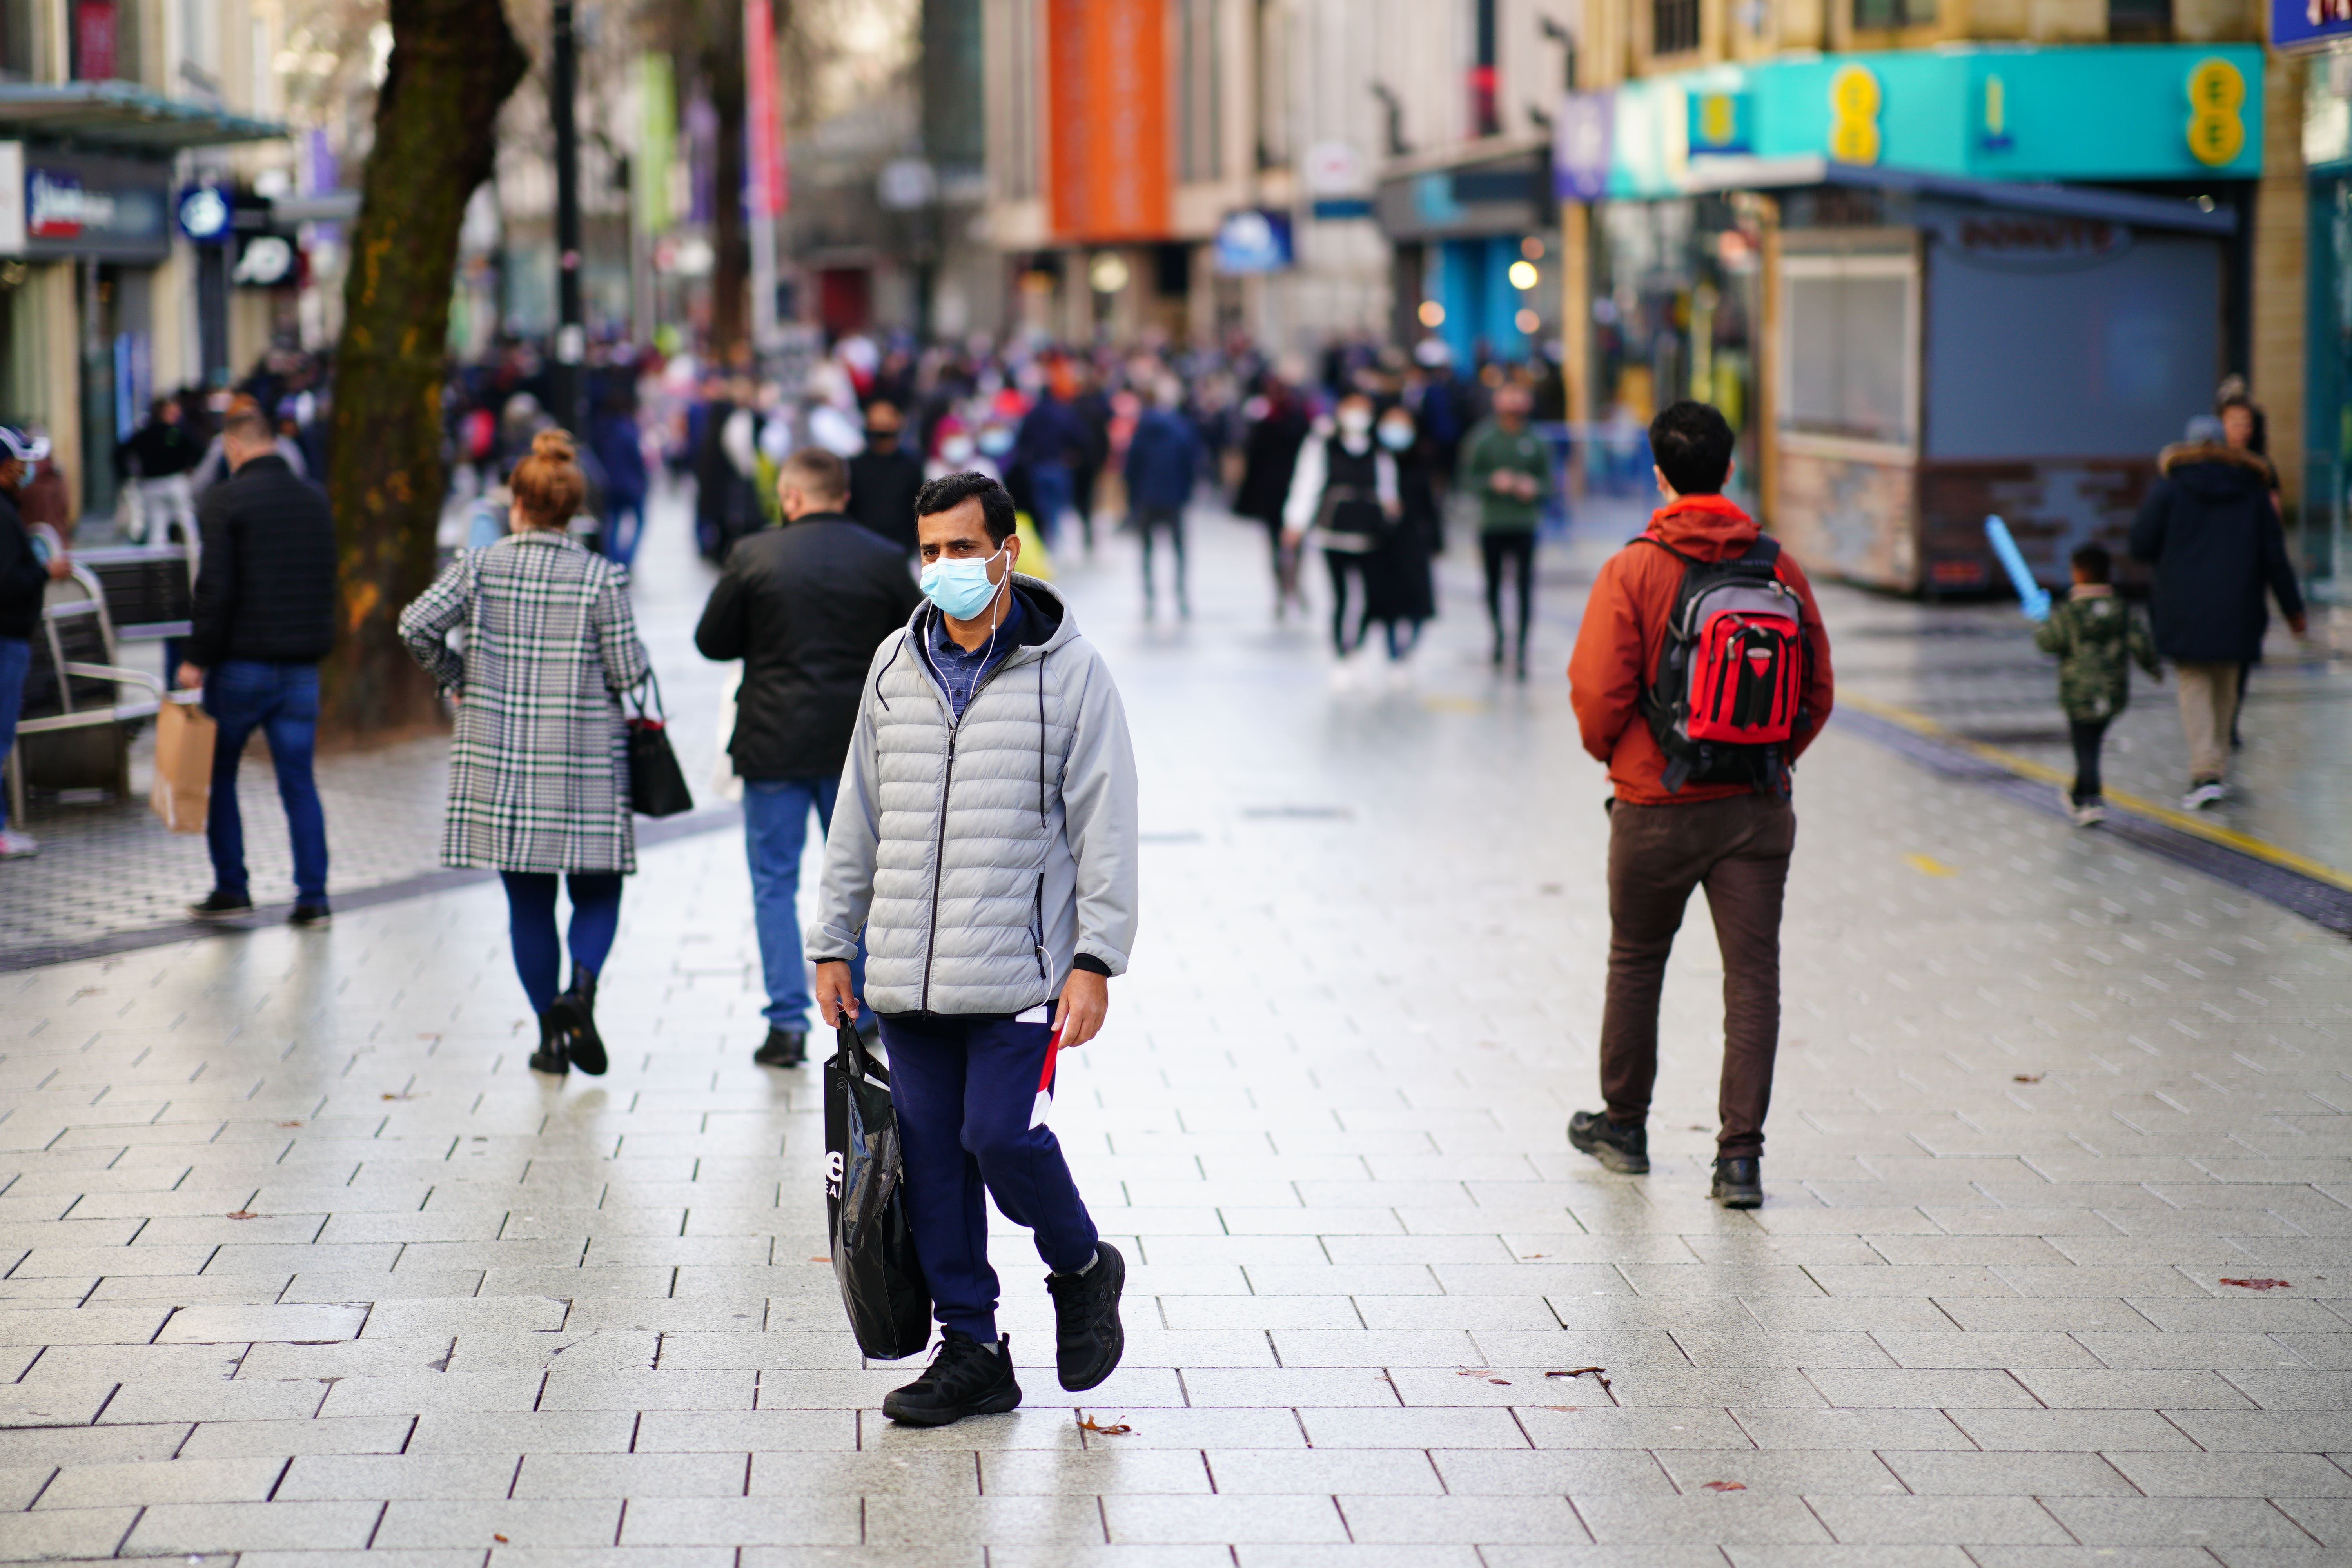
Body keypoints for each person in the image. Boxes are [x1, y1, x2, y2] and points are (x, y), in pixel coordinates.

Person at [809, 469, 1138, 1427]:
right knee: (933, 1159)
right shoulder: (891, 665)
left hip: (1019, 974)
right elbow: (855, 817)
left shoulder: (1070, 673)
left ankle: (1080, 1262)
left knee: (1000, 1134)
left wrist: (1095, 959)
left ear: (1007, 551)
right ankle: (974, 1348)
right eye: (931, 551)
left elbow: (1104, 826)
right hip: (904, 972)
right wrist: (836, 941)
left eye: (962, 548)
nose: (945, 568)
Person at [1564, 401, 1835, 1210]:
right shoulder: (1778, 565)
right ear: (1730, 467)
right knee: (1753, 977)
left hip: (1653, 802)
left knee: (1636, 960)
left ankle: (1624, 1127)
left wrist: (1624, 758)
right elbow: (1817, 689)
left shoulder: (1632, 568)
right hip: (1754, 807)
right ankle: (1740, 1159)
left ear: (1659, 472)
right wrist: (1769, 759)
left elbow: (1596, 694)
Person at [397, 430, 653, 1077]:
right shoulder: (600, 576)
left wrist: (459, 678)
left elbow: (414, 625)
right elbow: (629, 672)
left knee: (528, 902)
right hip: (586, 757)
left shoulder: (477, 568)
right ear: (573, 509)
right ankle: (582, 993)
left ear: (516, 503)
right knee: (599, 888)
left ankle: (550, 1038)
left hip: (501, 757)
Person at [694, 447, 920, 1067]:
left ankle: (786, 1024)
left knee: (774, 882)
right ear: (842, 495)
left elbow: (711, 641)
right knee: (867, 881)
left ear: (790, 498)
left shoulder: (753, 556)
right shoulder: (879, 558)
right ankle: (868, 1012)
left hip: (772, 742)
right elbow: (916, 641)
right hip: (860, 745)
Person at [179, 406, 337, 927]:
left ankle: (232, 886)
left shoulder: (225, 501)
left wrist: (197, 658)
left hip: (241, 667)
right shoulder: (315, 499)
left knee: (218, 772)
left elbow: (215, 588)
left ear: (234, 448)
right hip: (301, 670)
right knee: (299, 781)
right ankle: (313, 897)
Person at [2128, 415, 2305, 810]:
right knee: (2227, 682)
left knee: (2194, 682)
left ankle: (2205, 770)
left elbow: (2140, 544)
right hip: (2238, 604)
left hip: (2184, 603)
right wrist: (2294, 610)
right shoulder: (2252, 490)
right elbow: (2274, 556)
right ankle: (2216, 768)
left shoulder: (2170, 489)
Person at [2034, 542, 2160, 828]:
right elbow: (2140, 641)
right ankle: (2082, 792)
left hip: (2078, 691)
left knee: (2084, 744)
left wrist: (2040, 623)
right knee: (2093, 742)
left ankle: (2091, 799)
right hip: (2113, 690)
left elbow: (2049, 643)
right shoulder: (2120, 609)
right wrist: (2153, 668)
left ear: (2077, 574)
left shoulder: (2070, 612)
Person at [1282, 391, 1398, 681]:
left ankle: (1357, 647)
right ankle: (1340, 653)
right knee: (1342, 596)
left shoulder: (1379, 446)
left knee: (1374, 595)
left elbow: (1388, 485)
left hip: (1370, 531)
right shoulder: (1324, 443)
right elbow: (1307, 481)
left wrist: (1390, 512)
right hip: (1333, 530)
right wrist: (1295, 522)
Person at [0, 428, 69, 860]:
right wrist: (46, 571)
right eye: (19, 462)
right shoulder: (4, 516)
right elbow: (7, 582)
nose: (26, 470)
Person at [1461, 380, 1553, 680]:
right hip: (1492, 524)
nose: (1513, 403)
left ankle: (1523, 648)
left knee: (1526, 587)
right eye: (1508, 396)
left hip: (1525, 524)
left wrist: (1534, 488)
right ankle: (1499, 636)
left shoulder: (1536, 440)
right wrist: (1492, 482)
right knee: (1493, 585)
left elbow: (1551, 484)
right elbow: (1466, 480)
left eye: (1519, 395)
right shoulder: (1484, 439)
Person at [1361, 403, 1439, 680]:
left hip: (1414, 541)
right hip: (1383, 541)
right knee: (1388, 600)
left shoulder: (1421, 459)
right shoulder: (1373, 459)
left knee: (1418, 599)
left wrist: (1437, 541)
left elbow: (1430, 505)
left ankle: (1406, 653)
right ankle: (1392, 652)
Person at [1233, 379, 1312, 619]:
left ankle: (1294, 586)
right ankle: (1282, 591)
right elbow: (1252, 460)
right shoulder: (1263, 423)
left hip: (1295, 494)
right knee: (1276, 547)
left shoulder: (1298, 422)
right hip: (1271, 496)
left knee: (1295, 545)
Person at [1122, 378, 1200, 618]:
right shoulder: (1182, 427)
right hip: (1174, 498)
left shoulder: (1142, 429)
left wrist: (1134, 496)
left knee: (1147, 550)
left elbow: (1131, 466)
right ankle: (1181, 594)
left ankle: (1150, 596)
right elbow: (1192, 463)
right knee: (1179, 550)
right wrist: (1185, 493)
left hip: (1146, 498)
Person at [116, 396, 201, 546]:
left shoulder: (145, 434)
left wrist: (126, 474)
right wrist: (188, 466)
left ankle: (160, 564)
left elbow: (121, 452)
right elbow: (197, 449)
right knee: (187, 522)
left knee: (157, 529)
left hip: (151, 485)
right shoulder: (176, 433)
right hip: (174, 482)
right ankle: (194, 553)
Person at [1013, 381, 1089, 549]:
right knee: (1059, 508)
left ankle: (1047, 540)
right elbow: (1080, 437)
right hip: (1058, 466)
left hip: (1038, 466)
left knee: (1043, 508)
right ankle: (1056, 541)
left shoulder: (1032, 414)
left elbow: (1021, 440)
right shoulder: (1063, 413)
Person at [845, 399, 926, 556]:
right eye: (876, 424)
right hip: (862, 550)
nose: (882, 429)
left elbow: (918, 509)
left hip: (903, 551)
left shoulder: (912, 466)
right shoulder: (854, 467)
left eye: (886, 424)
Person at [591, 391, 651, 569]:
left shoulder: (600, 429)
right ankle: (626, 557)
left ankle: (613, 557)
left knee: (614, 522)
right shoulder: (627, 429)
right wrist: (643, 482)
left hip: (610, 484)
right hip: (630, 484)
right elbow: (637, 458)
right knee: (639, 521)